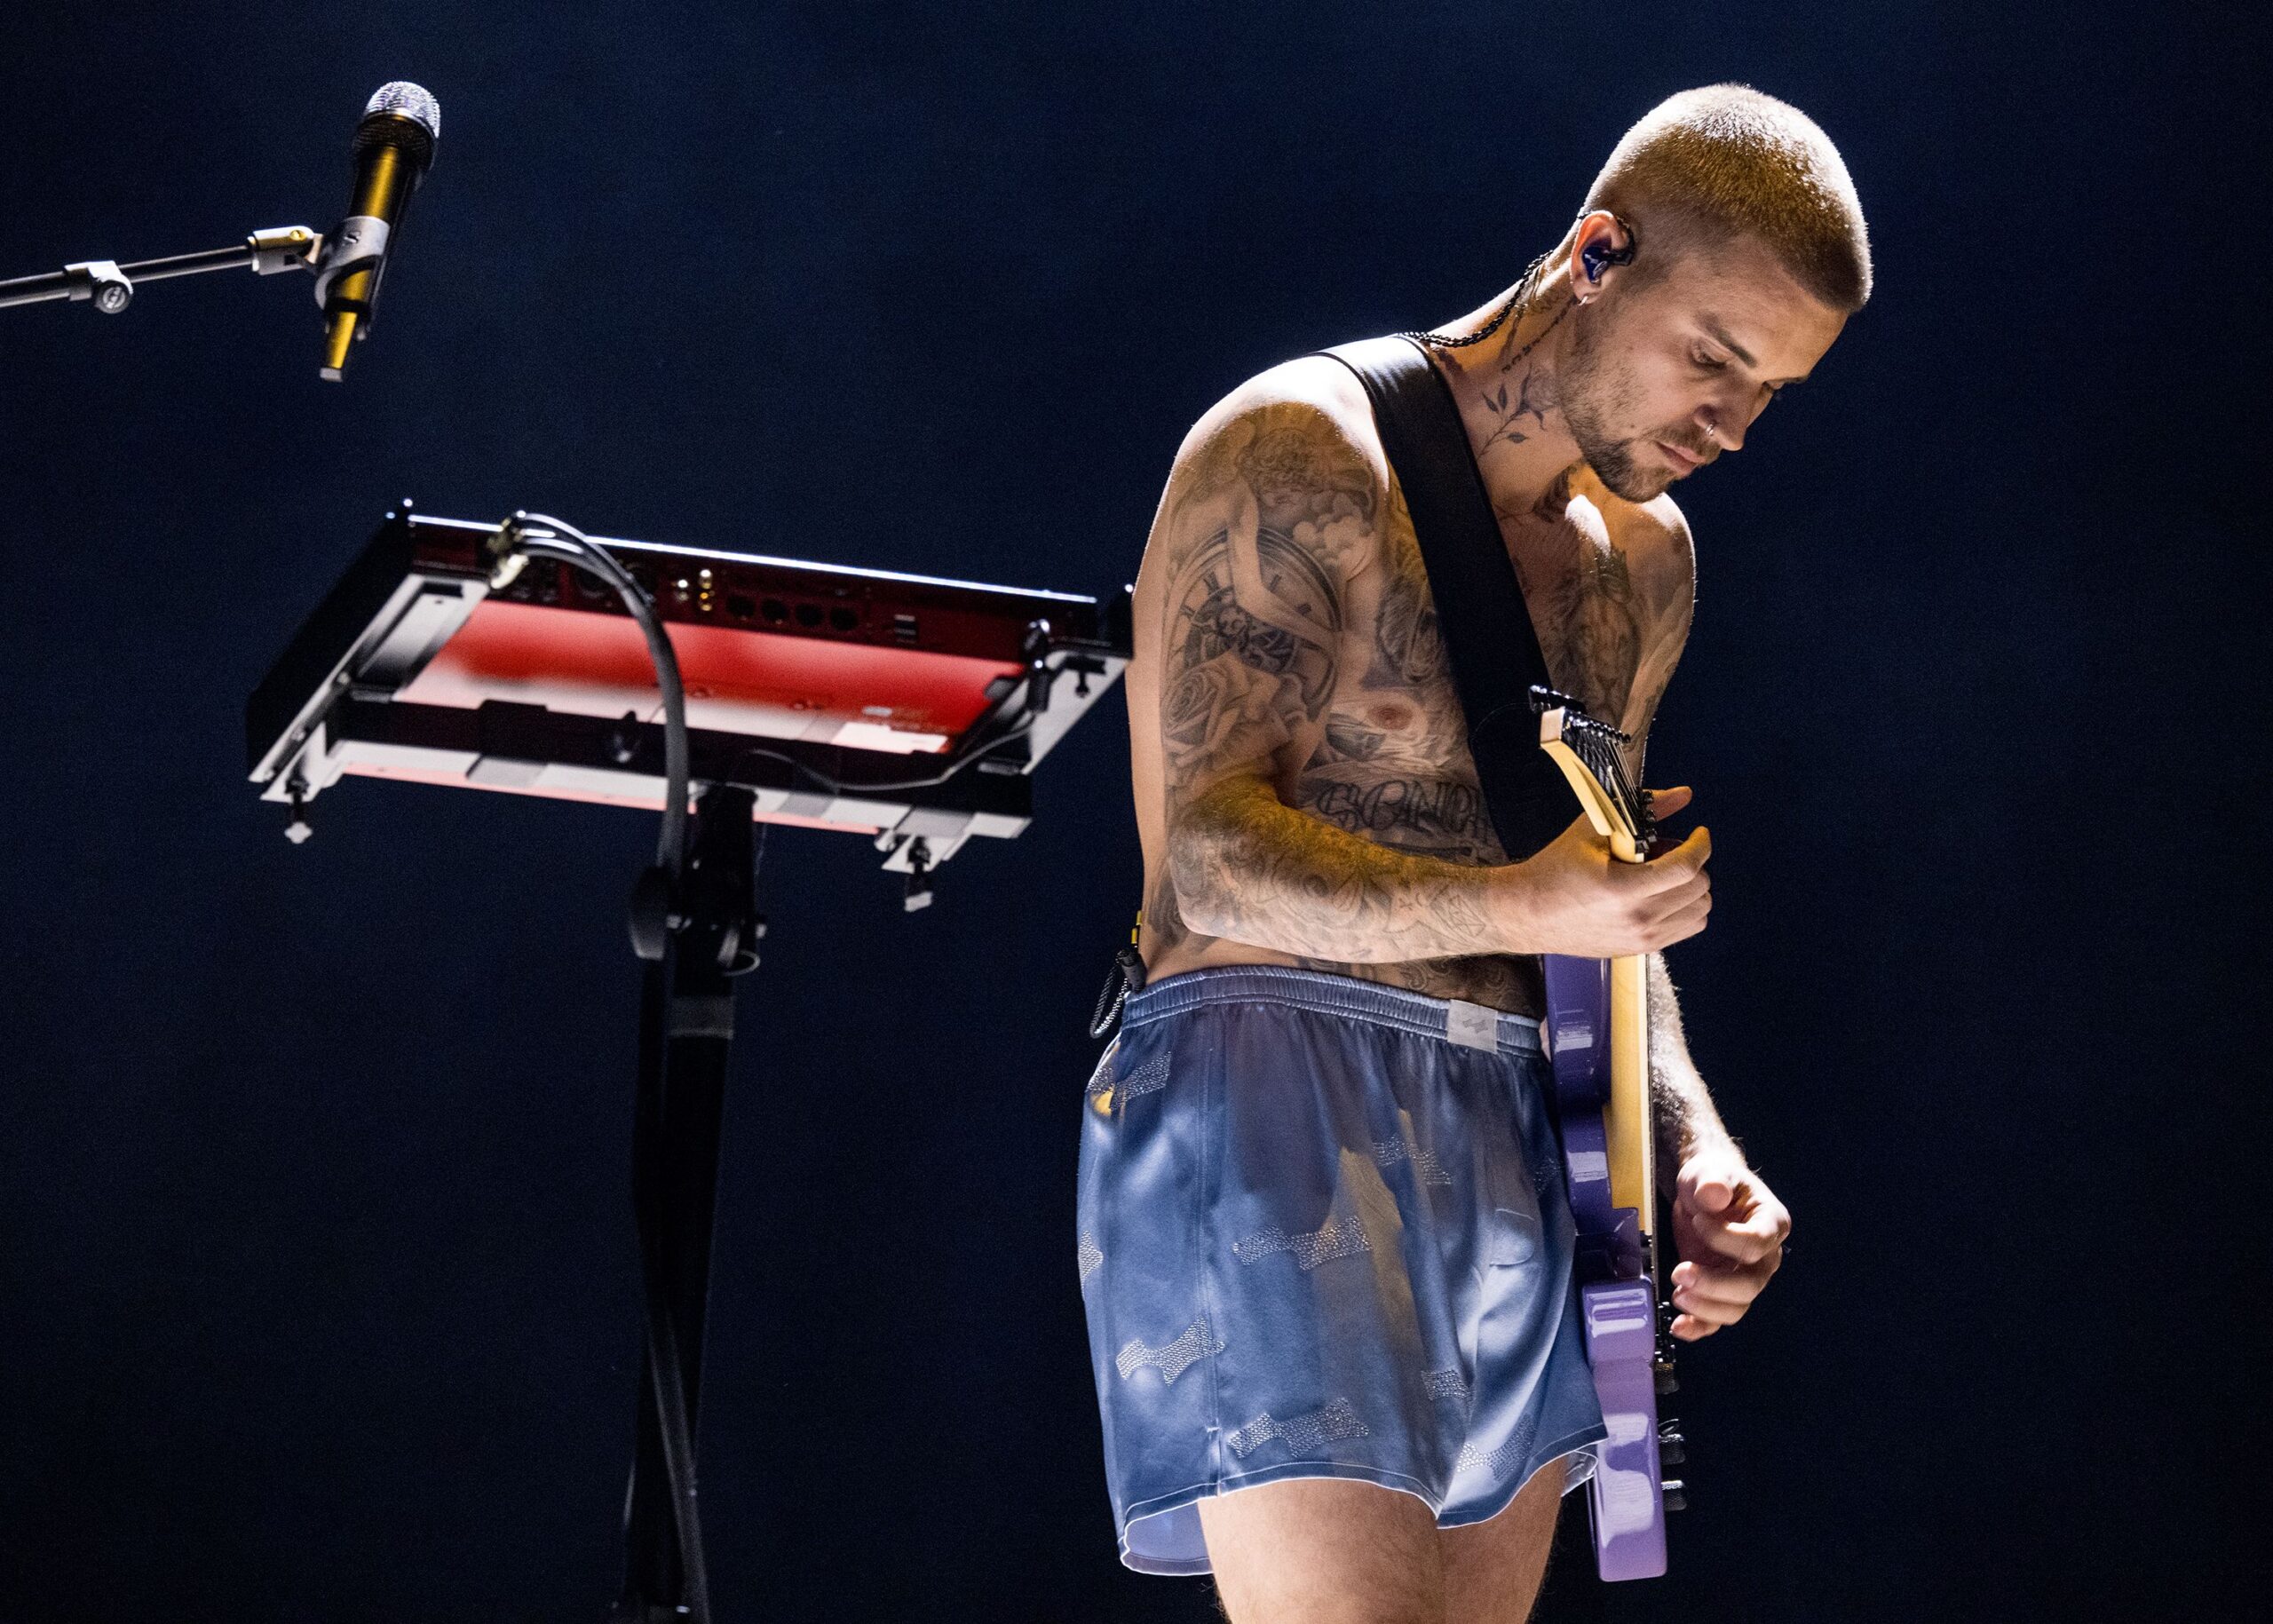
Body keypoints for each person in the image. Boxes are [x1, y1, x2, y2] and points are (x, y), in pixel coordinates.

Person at [1075, 84, 1868, 1622]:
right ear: (1597, 254)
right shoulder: (1302, 448)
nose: (1731, 423)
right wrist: (1528, 899)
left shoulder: (1645, 565)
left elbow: (1609, 916)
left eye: (1771, 390)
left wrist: (1691, 1140)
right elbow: (1209, 869)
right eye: (1713, 358)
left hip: (1518, 1121)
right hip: (1276, 1082)